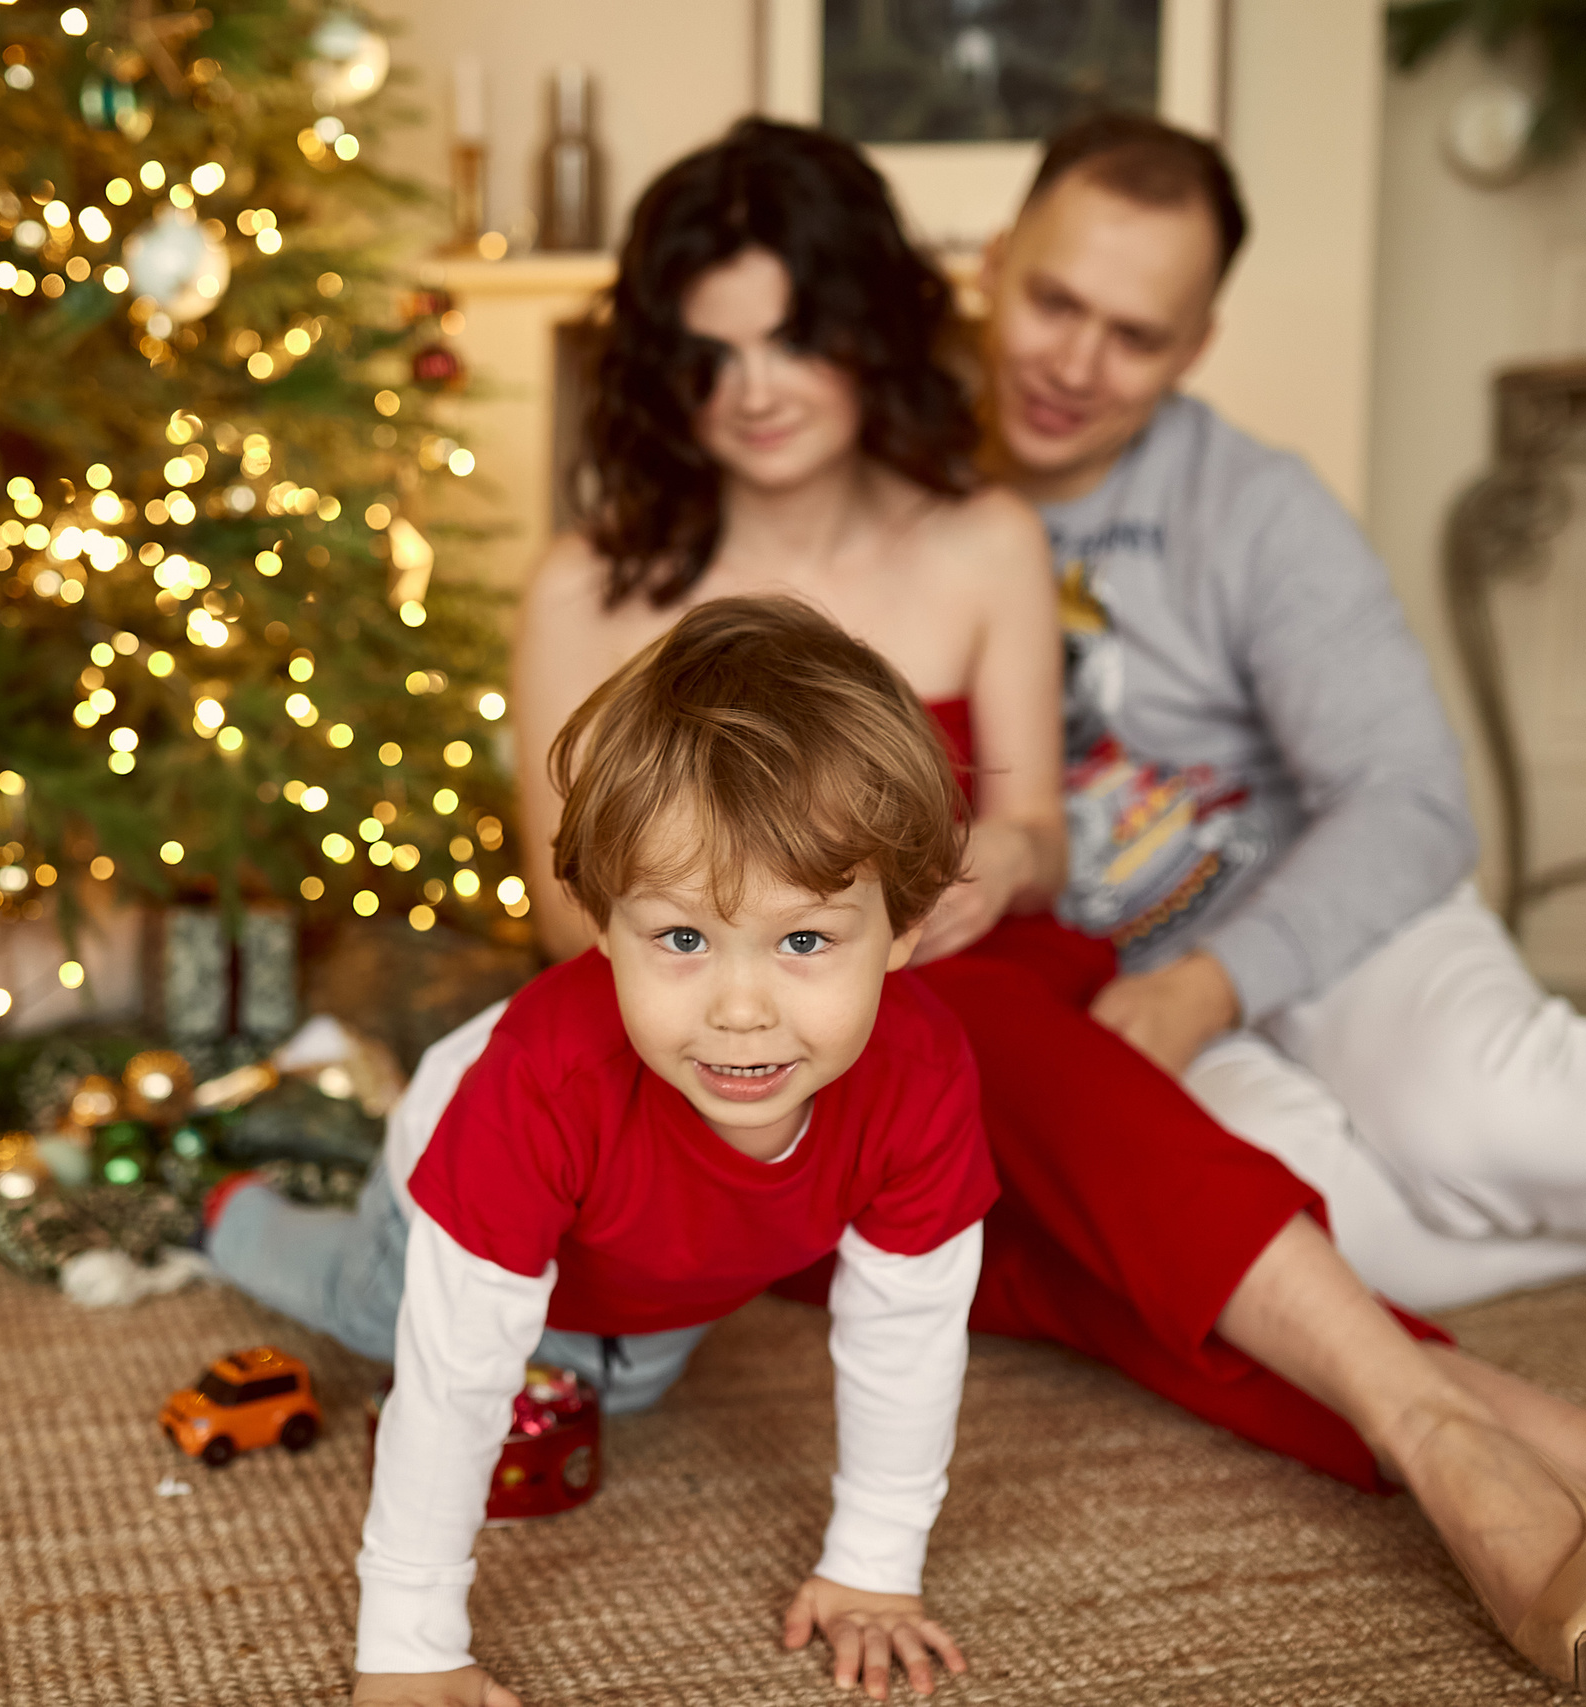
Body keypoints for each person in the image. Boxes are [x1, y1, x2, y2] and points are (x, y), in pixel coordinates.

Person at [510, 117, 1586, 1694]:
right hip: (764, 1076)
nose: (761, 388)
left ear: (869, 322)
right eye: (709, 354)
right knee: (1100, 1252)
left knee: (975, 1028)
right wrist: (765, 988)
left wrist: (993, 861)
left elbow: (1043, 830)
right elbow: (571, 914)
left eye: (796, 335)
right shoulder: (589, 588)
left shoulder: (983, 530)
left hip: (1001, 988)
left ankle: (1506, 1451)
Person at [970, 110, 1586, 1315]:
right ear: (995, 263)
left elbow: (1411, 800)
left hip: (1332, 921)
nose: (1072, 366)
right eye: (1054, 303)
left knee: (1490, 1117)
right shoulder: (905, 492)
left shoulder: (1257, 506)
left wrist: (1213, 981)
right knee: (1314, 1240)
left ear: (1197, 345)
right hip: (1118, 991)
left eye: (1134, 336)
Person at [211, 598, 1000, 1704]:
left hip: (644, 1268)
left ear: (903, 929)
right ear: (597, 919)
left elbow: (906, 1331)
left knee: (608, 1392)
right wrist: (410, 1645)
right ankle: (228, 1207)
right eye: (681, 938)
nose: (740, 1009)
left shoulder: (919, 1071)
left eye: (805, 940)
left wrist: (873, 1563)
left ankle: (330, 1137)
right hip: (453, 1195)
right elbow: (454, 1377)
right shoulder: (545, 1080)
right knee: (373, 1308)